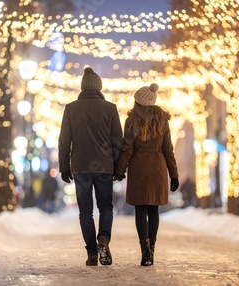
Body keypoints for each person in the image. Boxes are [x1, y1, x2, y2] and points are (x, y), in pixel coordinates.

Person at [58, 67, 123, 266]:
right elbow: (117, 141)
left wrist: (64, 167)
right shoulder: (110, 109)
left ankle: (92, 253)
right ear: (99, 87)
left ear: (82, 87)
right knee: (106, 207)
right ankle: (103, 238)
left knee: (85, 211)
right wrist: (119, 168)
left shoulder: (71, 108)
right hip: (104, 166)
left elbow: (64, 141)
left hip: (80, 166)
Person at [114, 83, 179, 266]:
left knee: (140, 210)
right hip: (158, 167)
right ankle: (152, 250)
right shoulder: (162, 121)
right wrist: (174, 174)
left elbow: (127, 149)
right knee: (154, 209)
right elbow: (168, 149)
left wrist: (119, 171)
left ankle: (145, 251)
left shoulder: (132, 120)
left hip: (138, 167)